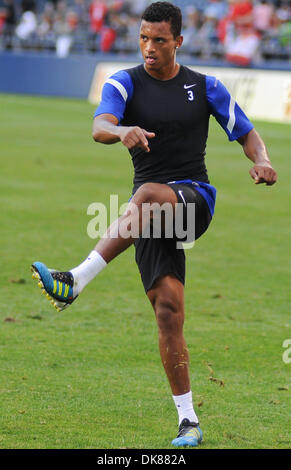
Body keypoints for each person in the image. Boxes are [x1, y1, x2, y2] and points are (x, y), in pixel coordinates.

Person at [31, 1, 277, 448]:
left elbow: (245, 130)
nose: (149, 47)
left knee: (145, 196)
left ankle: (76, 280)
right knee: (168, 312)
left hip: (192, 201)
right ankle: (188, 422)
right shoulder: (124, 82)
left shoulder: (205, 86)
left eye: (159, 40)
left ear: (178, 41)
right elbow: (99, 125)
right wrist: (119, 131)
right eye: (143, 38)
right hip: (144, 216)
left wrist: (262, 160)